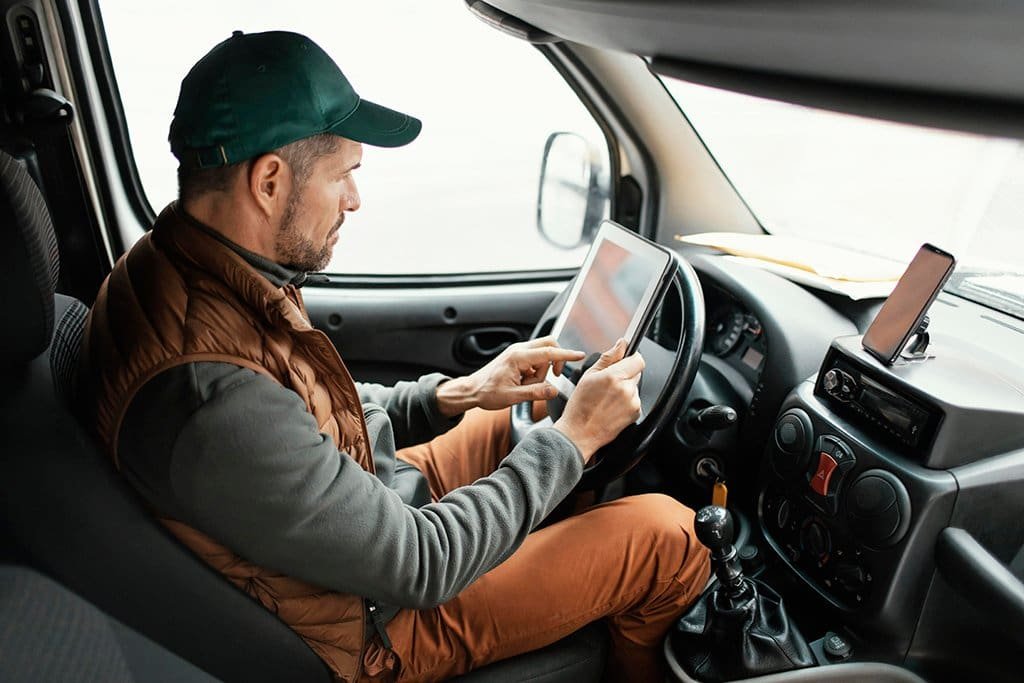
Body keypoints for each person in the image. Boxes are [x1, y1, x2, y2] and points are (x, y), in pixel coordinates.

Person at [78, 30, 709, 682]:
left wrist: (454, 395)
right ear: (268, 180)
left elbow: (304, 413)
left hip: (357, 530)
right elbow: (420, 562)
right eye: (344, 174)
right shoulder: (210, 395)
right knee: (669, 536)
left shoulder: (187, 265)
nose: (355, 200)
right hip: (372, 622)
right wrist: (574, 441)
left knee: (534, 405)